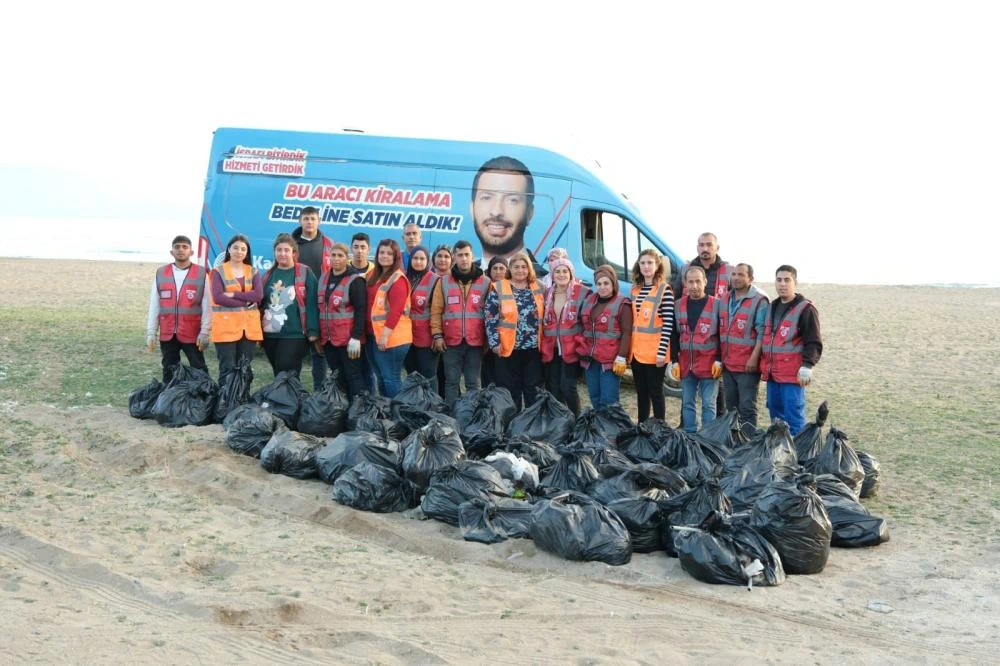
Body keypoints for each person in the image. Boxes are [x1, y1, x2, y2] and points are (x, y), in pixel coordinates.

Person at [761, 265, 822, 436]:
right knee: (776, 418)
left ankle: (798, 450)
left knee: (794, 418)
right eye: (779, 280)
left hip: (792, 376)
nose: (782, 284)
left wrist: (807, 365)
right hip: (773, 374)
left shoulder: (805, 309)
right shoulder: (772, 307)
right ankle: (780, 449)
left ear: (795, 282)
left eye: (787, 280)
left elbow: (813, 340)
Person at [430, 240, 491, 408]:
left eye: (467, 255)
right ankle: (451, 414)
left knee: (473, 383)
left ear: (472, 256)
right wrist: (437, 335)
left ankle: (471, 414)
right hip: (451, 342)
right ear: (454, 257)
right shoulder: (443, 282)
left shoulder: (485, 282)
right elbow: (436, 310)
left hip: (475, 342)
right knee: (451, 381)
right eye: (460, 255)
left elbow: (491, 314)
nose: (464, 259)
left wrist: (488, 339)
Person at [484, 251, 545, 411]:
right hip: (507, 348)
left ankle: (531, 419)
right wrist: (494, 343)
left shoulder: (539, 287)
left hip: (533, 348)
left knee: (533, 389)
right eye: (516, 267)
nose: (520, 270)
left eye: (524, 267)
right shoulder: (498, 287)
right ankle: (512, 420)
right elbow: (490, 318)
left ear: (529, 269)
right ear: (510, 269)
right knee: (510, 389)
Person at [145, 235, 211, 382]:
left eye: (185, 247)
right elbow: (155, 304)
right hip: (167, 333)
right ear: (172, 252)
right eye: (177, 247)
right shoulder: (161, 273)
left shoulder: (201, 273)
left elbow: (207, 304)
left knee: (199, 368)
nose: (181, 250)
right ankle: (169, 395)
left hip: (192, 332)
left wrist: (205, 332)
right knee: (169, 370)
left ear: (191, 252)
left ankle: (204, 395)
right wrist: (151, 332)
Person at [669, 265, 723, 433]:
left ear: (705, 282)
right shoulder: (678, 305)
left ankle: (707, 437)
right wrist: (674, 361)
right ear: (685, 283)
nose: (694, 286)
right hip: (686, 364)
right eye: (690, 282)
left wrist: (719, 360)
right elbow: (674, 334)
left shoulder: (717, 305)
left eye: (698, 281)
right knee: (687, 403)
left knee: (708, 404)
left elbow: (722, 335)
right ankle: (690, 434)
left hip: (709, 365)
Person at [719, 263, 769, 435]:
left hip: (747, 365)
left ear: (750, 278)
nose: (736, 278)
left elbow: (762, 333)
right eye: (733, 274)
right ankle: (734, 440)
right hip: (728, 364)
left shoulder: (759, 301)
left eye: (741, 274)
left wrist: (754, 358)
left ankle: (748, 441)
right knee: (731, 408)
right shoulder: (724, 299)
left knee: (747, 407)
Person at [471, 156, 543, 272]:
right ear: (472, 209)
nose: (496, 211)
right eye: (486, 197)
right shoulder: (460, 276)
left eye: (512, 200)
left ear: (529, 213)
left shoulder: (544, 279)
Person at [261, 233, 319, 377]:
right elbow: (262, 303)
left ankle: (292, 392)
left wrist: (313, 330)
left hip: (295, 333)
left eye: (286, 250)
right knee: (278, 373)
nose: (282, 253)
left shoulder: (305, 272)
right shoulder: (268, 275)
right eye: (279, 250)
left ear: (294, 253)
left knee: (286, 370)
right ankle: (284, 393)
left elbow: (312, 303)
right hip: (270, 334)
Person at [629, 248, 675, 422]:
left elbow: (668, 323)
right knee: (641, 392)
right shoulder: (635, 290)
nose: (646, 266)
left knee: (655, 392)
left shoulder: (665, 290)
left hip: (655, 352)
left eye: (650, 262)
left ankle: (659, 427)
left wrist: (662, 352)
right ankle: (642, 426)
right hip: (636, 352)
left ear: (657, 266)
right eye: (642, 263)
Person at [317, 242, 367, 399]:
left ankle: (358, 408)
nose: (336, 259)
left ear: (347, 258)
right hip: (329, 339)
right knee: (337, 375)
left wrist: (356, 337)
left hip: (349, 340)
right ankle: (342, 408)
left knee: (353, 375)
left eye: (340, 255)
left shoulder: (355, 280)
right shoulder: (323, 278)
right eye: (333, 255)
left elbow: (361, 310)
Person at [540, 257, 589, 416]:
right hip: (552, 348)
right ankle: (560, 420)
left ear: (570, 273)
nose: (561, 275)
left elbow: (588, 321)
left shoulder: (582, 292)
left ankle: (576, 419)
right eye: (557, 271)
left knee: (568, 387)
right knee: (554, 387)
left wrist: (582, 343)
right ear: (552, 275)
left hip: (571, 348)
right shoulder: (547, 293)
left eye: (564, 271)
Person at [578, 264, 632, 409]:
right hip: (590, 360)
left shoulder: (623, 304)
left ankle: (611, 424)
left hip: (610, 361)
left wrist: (621, 357)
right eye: (599, 284)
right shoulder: (589, 301)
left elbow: (627, 333)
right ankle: (599, 423)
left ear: (613, 283)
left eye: (606, 283)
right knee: (595, 398)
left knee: (609, 401)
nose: (602, 287)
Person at [210, 234, 263, 379]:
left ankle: (242, 394)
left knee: (244, 369)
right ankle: (226, 394)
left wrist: (233, 294)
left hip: (248, 329)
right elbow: (218, 297)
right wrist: (246, 302)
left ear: (247, 253)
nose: (239, 251)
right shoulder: (218, 271)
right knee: (227, 369)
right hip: (226, 328)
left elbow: (258, 295)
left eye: (243, 249)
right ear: (229, 249)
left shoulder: (253, 271)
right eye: (235, 248)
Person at [290, 206, 332, 389]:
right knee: (294, 350)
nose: (309, 222)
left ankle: (319, 391)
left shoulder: (328, 244)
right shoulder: (291, 244)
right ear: (300, 221)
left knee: (318, 351)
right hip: (295, 304)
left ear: (319, 221)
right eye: (306, 218)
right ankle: (292, 390)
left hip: (320, 303)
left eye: (313, 219)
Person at [365, 239, 413, 398]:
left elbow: (396, 311)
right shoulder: (373, 275)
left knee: (391, 378)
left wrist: (385, 336)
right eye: (382, 252)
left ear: (396, 257)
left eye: (389, 253)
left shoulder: (398, 278)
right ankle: (386, 407)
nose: (384, 256)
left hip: (392, 337)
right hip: (374, 335)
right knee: (381, 376)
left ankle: (397, 410)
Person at [404, 246, 441, 391]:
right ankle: (415, 402)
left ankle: (432, 403)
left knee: (428, 374)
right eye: (415, 258)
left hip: (427, 337)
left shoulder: (435, 280)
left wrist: (437, 335)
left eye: (422, 258)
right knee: (412, 373)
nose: (418, 262)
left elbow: (439, 311)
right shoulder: (405, 277)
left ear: (428, 261)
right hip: (407, 335)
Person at [481, 256, 510, 387]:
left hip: (503, 340)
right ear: (489, 271)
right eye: (495, 268)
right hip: (483, 338)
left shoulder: (511, 287)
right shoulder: (483, 287)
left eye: (501, 268)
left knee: (503, 376)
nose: (498, 272)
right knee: (487, 376)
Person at [678, 232, 731, 301]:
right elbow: (676, 298)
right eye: (701, 245)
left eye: (709, 245)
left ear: (717, 248)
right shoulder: (685, 269)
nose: (705, 249)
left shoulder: (730, 271)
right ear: (697, 248)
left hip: (718, 308)